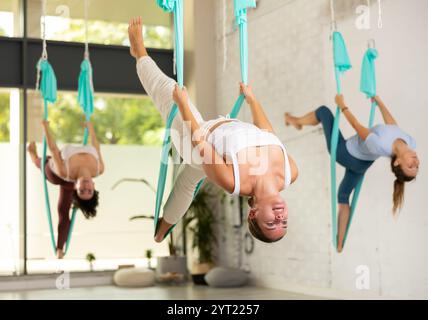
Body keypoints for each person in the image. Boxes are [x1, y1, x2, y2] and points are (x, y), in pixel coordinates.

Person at [128, 17, 298, 243]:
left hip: (195, 142)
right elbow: (267, 134)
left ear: (254, 213)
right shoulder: (290, 173)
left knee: (169, 90)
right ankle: (161, 234)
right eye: (284, 221)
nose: (279, 217)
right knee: (188, 182)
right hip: (216, 136)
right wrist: (252, 101)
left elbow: (201, 145)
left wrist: (182, 105)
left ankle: (139, 52)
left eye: (271, 223)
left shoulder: (235, 182)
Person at [285, 94, 419, 251]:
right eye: (417, 166)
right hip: (362, 165)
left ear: (397, 162)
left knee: (323, 111)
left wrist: (342, 105)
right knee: (343, 196)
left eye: (410, 167)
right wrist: (380, 103)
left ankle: (296, 122)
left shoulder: (380, 145)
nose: (415, 163)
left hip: (345, 154)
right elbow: (393, 126)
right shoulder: (410, 141)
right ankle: (340, 243)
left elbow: (356, 125)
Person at [27, 121, 104, 258]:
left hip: (55, 173)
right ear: (94, 185)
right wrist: (91, 128)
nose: (85, 187)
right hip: (68, 172)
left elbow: (53, 149)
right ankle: (60, 248)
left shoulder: (63, 172)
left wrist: (45, 126)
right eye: (89, 190)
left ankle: (59, 248)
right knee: (64, 210)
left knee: (42, 163)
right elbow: (97, 148)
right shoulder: (99, 169)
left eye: (82, 191)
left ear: (76, 187)